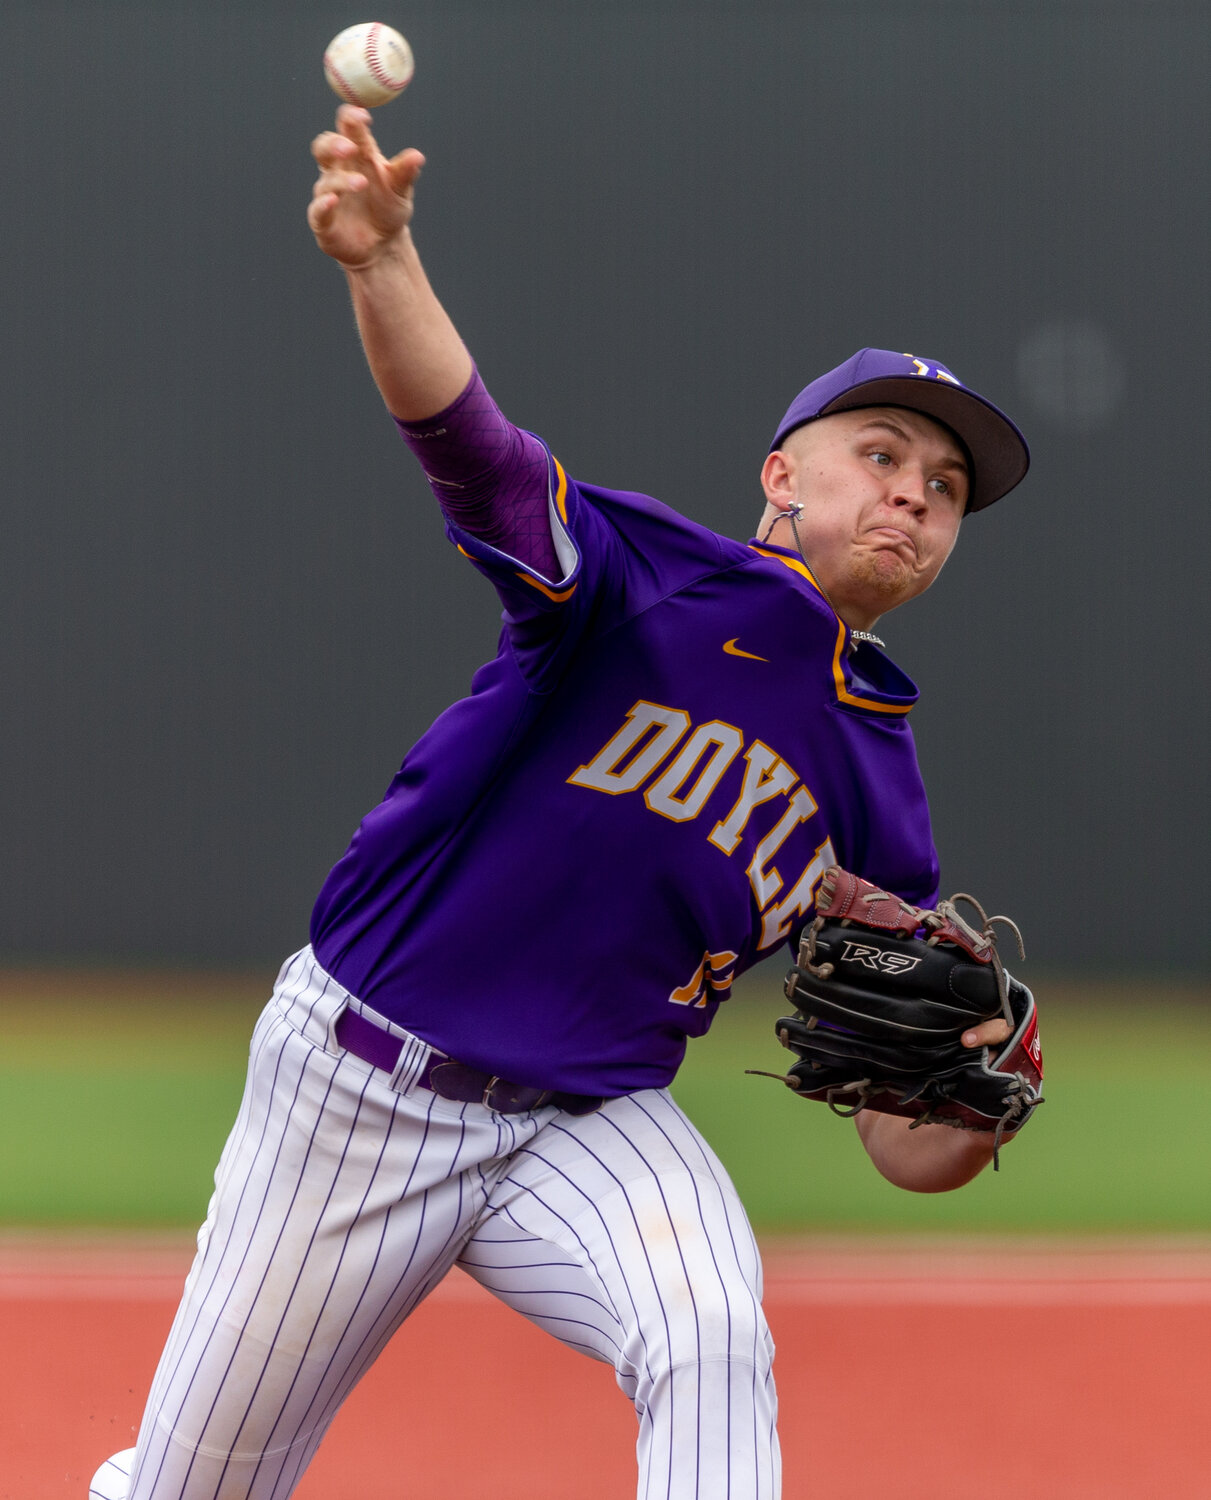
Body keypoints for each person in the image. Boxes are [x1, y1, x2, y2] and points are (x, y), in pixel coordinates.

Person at [95, 106, 1032, 1500]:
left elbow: (904, 1134)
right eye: (883, 454)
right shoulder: (641, 576)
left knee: (710, 1332)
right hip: (362, 1087)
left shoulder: (879, 778)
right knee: (195, 1490)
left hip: (588, 1117)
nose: (915, 496)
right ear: (783, 476)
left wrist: (983, 1091)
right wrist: (380, 262)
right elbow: (468, 443)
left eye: (946, 489)